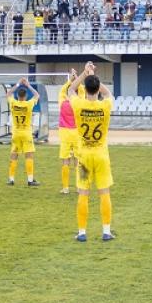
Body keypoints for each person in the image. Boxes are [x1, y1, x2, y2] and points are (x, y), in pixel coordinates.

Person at [68, 62, 115, 242]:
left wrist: (84, 74)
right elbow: (108, 93)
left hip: (84, 156)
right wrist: (93, 75)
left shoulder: (79, 105)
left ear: (85, 88)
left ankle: (82, 232)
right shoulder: (105, 106)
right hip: (101, 155)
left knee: (83, 194)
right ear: (96, 89)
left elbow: (70, 90)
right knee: (104, 193)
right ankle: (106, 231)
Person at [7, 78, 40, 186]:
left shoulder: (13, 103)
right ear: (25, 96)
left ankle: (11, 179)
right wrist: (28, 85)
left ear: (17, 96)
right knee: (29, 156)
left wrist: (18, 84)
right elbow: (37, 95)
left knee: (14, 155)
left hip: (16, 133)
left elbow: (8, 93)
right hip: (26, 134)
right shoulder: (29, 104)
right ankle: (30, 180)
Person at [58, 69, 79, 195]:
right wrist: (77, 79)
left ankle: (65, 188)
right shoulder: (79, 103)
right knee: (77, 161)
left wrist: (70, 80)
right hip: (77, 133)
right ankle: (78, 187)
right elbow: (81, 90)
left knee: (65, 161)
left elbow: (62, 91)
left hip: (65, 134)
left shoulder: (62, 102)